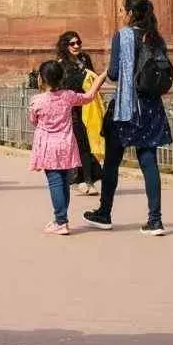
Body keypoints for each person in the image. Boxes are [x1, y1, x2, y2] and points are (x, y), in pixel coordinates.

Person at [83, 0, 173, 236]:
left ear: (131, 13)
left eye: (123, 10)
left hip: (126, 108)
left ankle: (104, 212)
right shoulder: (155, 37)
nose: (121, 13)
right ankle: (155, 220)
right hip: (151, 108)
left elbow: (113, 73)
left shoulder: (123, 35)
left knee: (112, 163)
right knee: (149, 163)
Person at [27, 61, 108, 235]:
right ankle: (60, 218)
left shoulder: (37, 100)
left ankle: (61, 221)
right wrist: (101, 77)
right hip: (66, 144)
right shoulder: (68, 96)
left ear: (42, 78)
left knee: (55, 182)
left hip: (48, 146)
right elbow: (89, 97)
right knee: (64, 182)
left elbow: (33, 121)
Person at [55, 31, 104, 195]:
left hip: (86, 106)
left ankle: (86, 179)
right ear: (65, 46)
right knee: (76, 145)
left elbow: (92, 79)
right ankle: (80, 180)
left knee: (85, 144)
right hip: (71, 109)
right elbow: (63, 87)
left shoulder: (84, 59)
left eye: (78, 43)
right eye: (72, 43)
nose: (76, 46)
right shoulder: (61, 64)